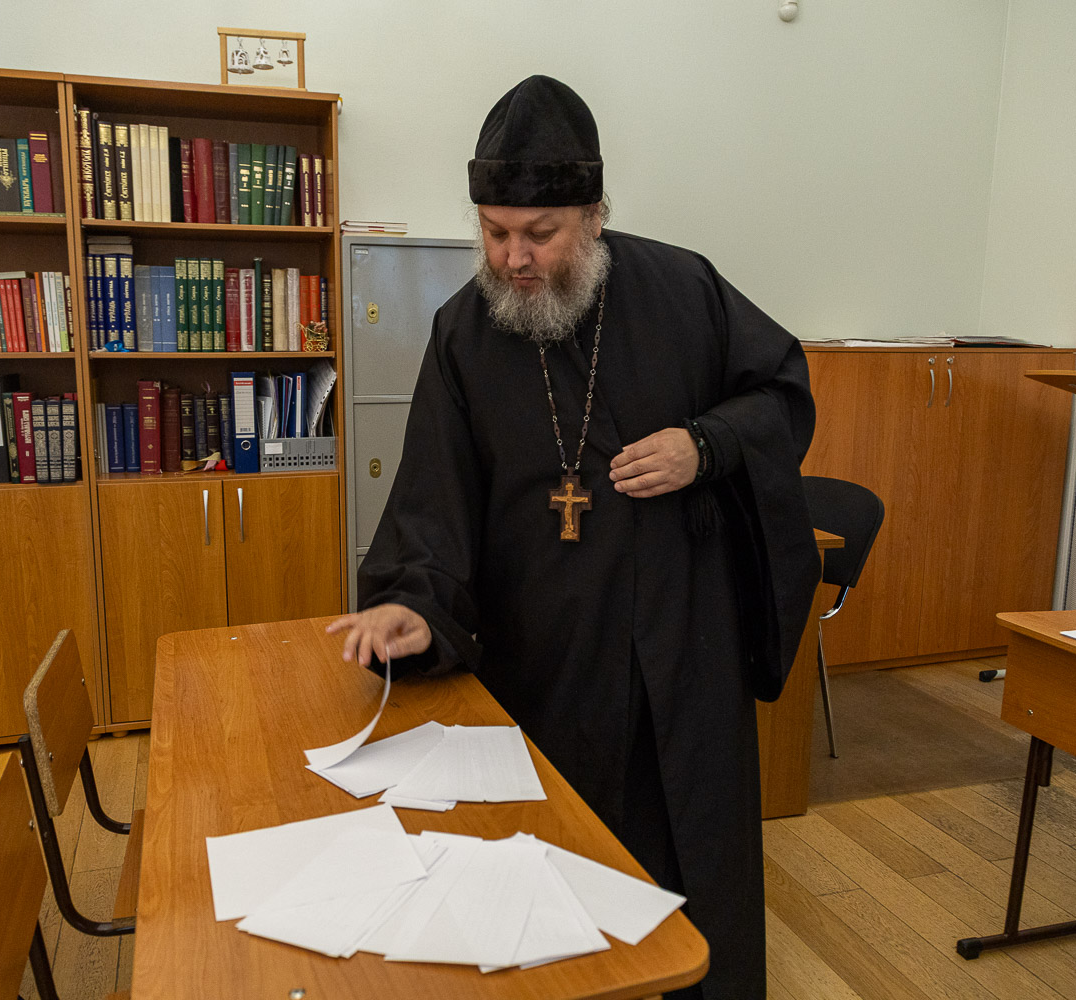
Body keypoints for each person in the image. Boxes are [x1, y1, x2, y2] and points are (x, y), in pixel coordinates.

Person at [328, 75, 818, 999]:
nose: (513, 258)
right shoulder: (463, 332)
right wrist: (414, 604)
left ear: (594, 216)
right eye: (494, 232)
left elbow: (782, 395)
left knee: (689, 886)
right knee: (543, 896)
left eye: (539, 234)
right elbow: (434, 496)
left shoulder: (684, 290)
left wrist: (705, 446)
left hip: (680, 652)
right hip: (541, 665)